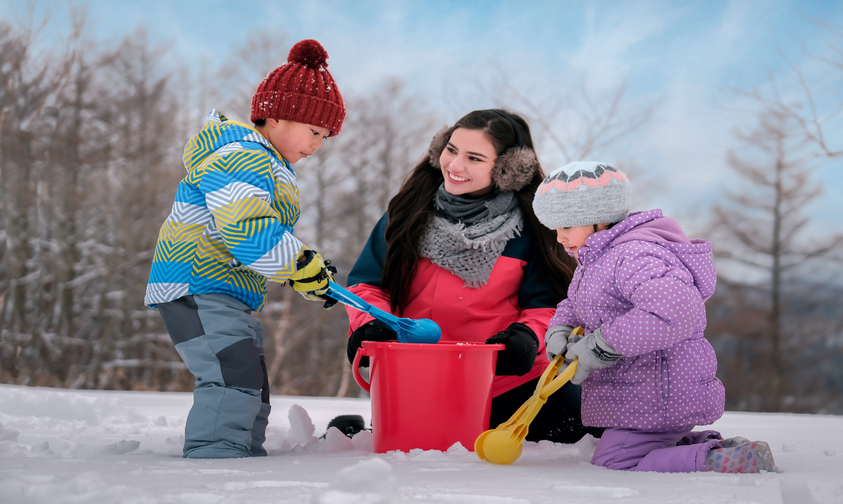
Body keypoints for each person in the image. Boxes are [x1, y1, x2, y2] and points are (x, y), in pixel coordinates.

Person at [344, 109, 602, 443]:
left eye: (474, 158)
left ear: (507, 170)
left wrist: (527, 337)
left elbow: (550, 304)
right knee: (425, 445)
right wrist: (370, 323)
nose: (454, 166)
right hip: (419, 379)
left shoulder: (534, 228)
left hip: (509, 380)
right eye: (451, 150)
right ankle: (355, 430)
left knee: (594, 437)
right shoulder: (406, 213)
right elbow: (366, 285)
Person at [144, 39, 345, 459]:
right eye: (313, 131)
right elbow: (245, 227)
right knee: (231, 374)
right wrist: (297, 263)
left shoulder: (268, 164)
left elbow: (262, 231)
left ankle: (244, 454)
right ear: (273, 115)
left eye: (325, 137)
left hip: (226, 292)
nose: (318, 145)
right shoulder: (241, 155)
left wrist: (303, 274)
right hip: (198, 284)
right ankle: (217, 458)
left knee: (250, 376)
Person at [532, 161, 776, 473]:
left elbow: (673, 312)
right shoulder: (596, 259)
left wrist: (600, 346)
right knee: (632, 447)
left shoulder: (635, 255)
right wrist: (560, 330)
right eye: (554, 230)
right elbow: (576, 303)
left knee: (616, 461)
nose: (559, 239)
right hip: (641, 391)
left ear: (597, 220)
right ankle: (721, 450)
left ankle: (719, 461)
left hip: (658, 391)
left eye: (565, 228)